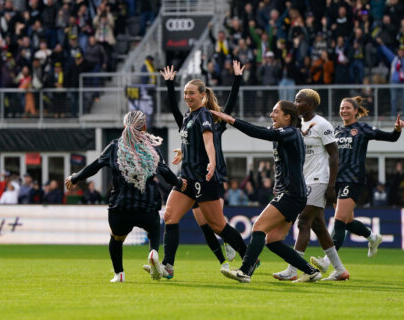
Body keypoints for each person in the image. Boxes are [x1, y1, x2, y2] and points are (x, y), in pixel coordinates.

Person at [65, 111, 187, 283]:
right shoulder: (152, 149)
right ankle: (153, 252)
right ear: (144, 127)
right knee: (153, 230)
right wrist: (180, 182)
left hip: (121, 206)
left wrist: (75, 178)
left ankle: (119, 274)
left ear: (124, 126)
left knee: (116, 238)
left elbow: (95, 166)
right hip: (148, 205)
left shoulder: (115, 147)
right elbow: (165, 173)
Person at [149, 72, 250, 280]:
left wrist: (212, 162)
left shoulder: (205, 115)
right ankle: (168, 266)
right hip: (186, 178)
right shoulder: (188, 117)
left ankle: (248, 256)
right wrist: (169, 84)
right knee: (170, 216)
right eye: (185, 93)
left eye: (191, 93)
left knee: (217, 225)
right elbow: (188, 133)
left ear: (203, 95)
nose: (187, 96)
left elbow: (208, 142)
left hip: (205, 179)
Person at [212, 101, 322, 283]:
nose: (272, 115)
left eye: (275, 112)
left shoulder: (289, 133)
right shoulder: (285, 133)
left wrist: (231, 120)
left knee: (258, 228)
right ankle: (311, 272)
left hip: (291, 194)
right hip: (292, 194)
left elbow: (260, 133)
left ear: (287, 117)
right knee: (273, 241)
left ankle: (245, 271)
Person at [311, 97, 403, 272]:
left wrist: (397, 130)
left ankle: (326, 261)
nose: (344, 111)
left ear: (355, 111)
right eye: (341, 108)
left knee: (338, 222)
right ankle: (372, 236)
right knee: (348, 221)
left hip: (353, 180)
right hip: (337, 181)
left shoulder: (363, 129)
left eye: (347, 108)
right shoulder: (336, 131)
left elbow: (390, 138)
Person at [273, 89, 349, 282]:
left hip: (319, 180)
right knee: (318, 226)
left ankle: (293, 268)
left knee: (303, 221)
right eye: (295, 100)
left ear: (311, 105)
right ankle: (339, 270)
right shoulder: (297, 125)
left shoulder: (323, 125)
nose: (296, 103)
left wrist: (332, 185)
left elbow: (334, 155)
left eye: (299, 101)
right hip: (303, 180)